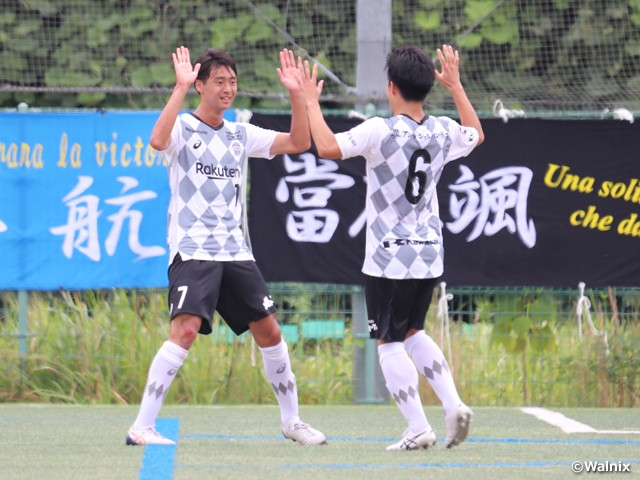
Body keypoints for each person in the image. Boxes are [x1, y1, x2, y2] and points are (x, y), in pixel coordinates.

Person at [126, 46, 326, 446]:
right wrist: (179, 88)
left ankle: (292, 422)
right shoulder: (183, 127)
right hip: (193, 248)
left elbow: (299, 143)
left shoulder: (240, 133)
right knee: (184, 330)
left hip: (235, 251)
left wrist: (296, 96)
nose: (227, 88)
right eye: (218, 81)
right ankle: (142, 427)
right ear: (200, 85)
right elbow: (156, 140)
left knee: (270, 331)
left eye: (232, 81)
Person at [297, 45, 484, 450]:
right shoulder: (443, 130)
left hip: (387, 255)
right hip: (429, 252)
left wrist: (311, 102)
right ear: (427, 85)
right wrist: (456, 87)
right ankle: (452, 405)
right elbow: (477, 134)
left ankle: (418, 428)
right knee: (414, 330)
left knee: (388, 340)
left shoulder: (379, 130)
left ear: (391, 88)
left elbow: (327, 147)